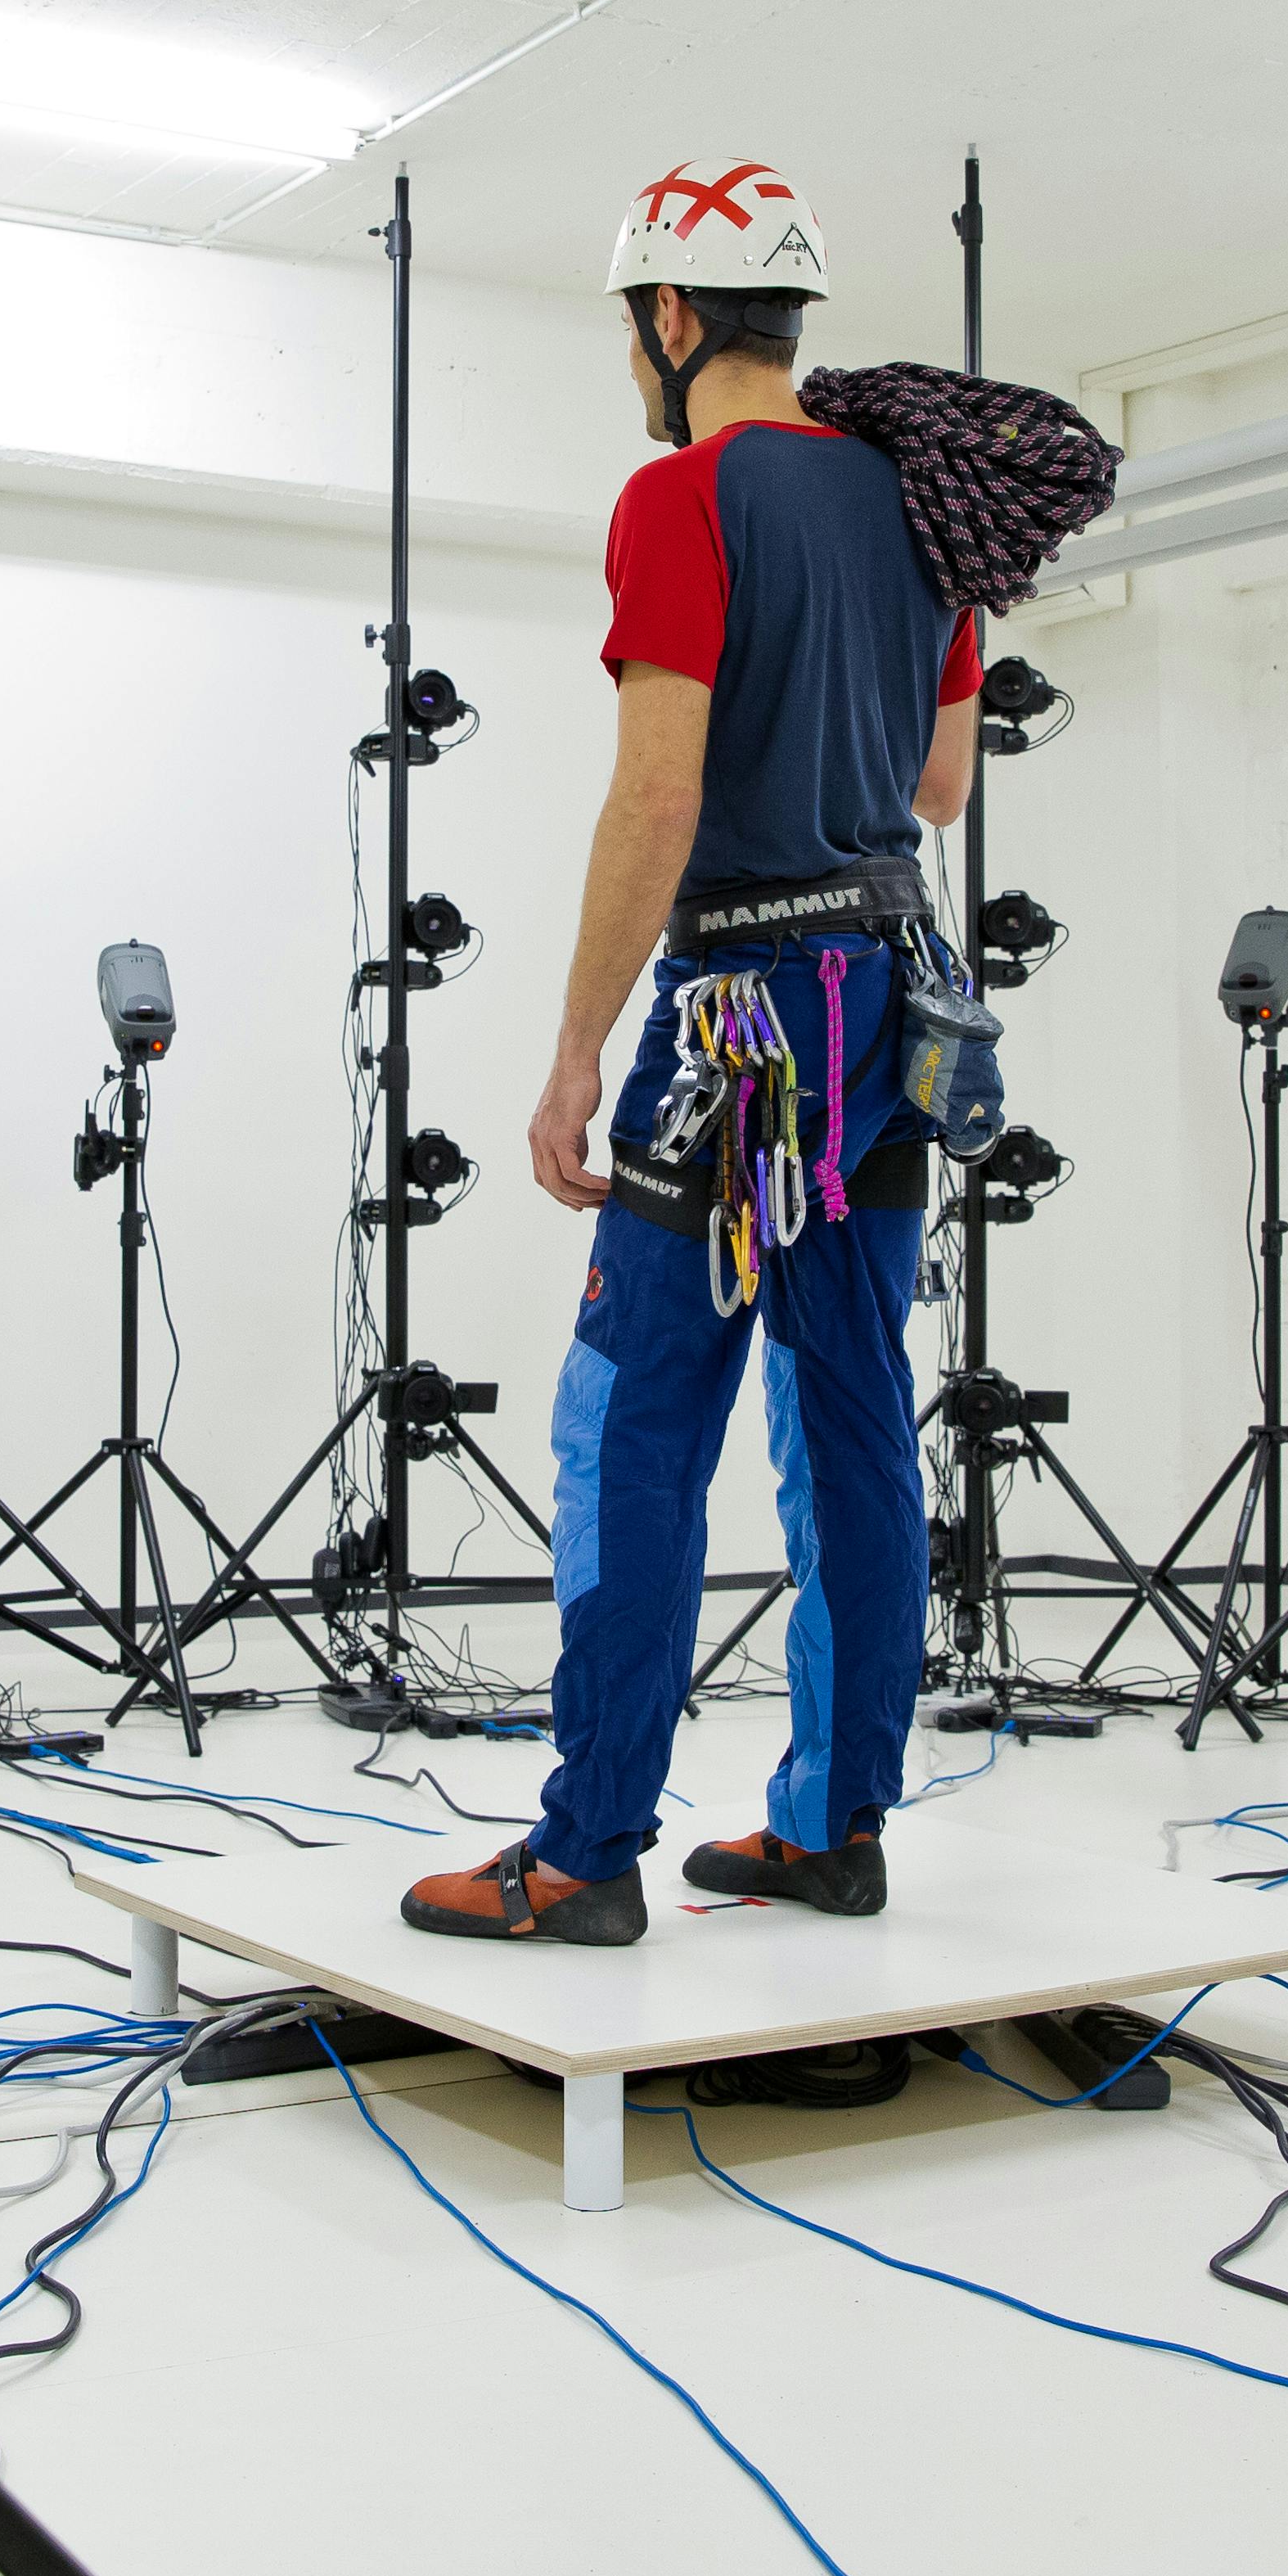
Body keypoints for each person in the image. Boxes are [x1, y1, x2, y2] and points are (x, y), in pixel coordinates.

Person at [402, 158, 976, 1947]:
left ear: (668, 316)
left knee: (638, 1415)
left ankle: (585, 1849)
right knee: (855, 1403)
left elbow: (659, 789)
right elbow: (940, 786)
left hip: (738, 1008)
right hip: (893, 997)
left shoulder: (684, 495)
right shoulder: (924, 506)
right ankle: (835, 1821)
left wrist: (576, 1048)